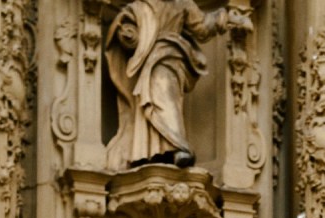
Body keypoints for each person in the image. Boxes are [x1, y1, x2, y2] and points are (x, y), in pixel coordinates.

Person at [104, 0, 251, 169]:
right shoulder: (140, 5)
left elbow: (202, 26)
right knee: (148, 103)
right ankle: (148, 152)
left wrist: (225, 17)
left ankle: (178, 145)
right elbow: (126, 26)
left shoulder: (182, 3)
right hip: (146, 64)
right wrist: (126, 33)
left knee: (165, 97)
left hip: (170, 57)